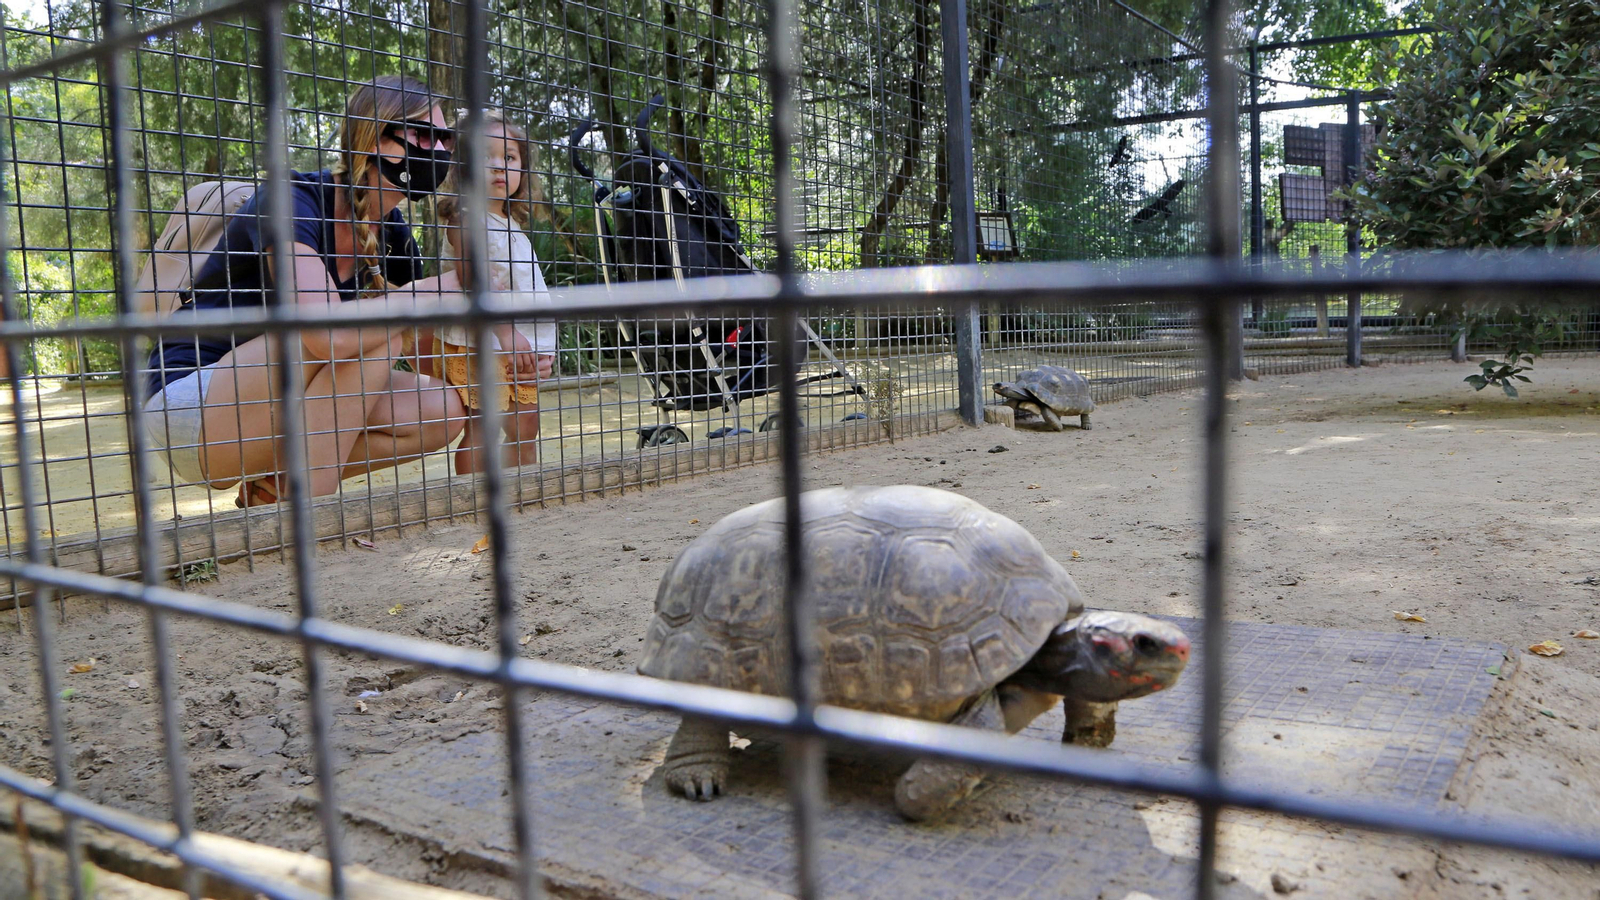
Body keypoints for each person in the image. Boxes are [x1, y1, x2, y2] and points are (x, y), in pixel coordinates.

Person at [142, 75, 467, 507]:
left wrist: (502, 370)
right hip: (191, 408)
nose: (439, 150)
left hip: (270, 417)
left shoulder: (394, 236)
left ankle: (276, 490)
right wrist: (445, 287)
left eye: (446, 139)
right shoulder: (293, 199)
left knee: (442, 409)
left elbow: (427, 355)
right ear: (373, 138)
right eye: (424, 136)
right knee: (377, 332)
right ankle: (309, 514)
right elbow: (326, 335)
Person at [414, 110, 555, 474]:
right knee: (482, 428)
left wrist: (542, 347)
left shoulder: (512, 225)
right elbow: (473, 277)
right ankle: (473, 498)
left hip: (518, 347)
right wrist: (506, 333)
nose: (498, 166)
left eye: (509, 157)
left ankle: (521, 490)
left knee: (526, 427)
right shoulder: (465, 217)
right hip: (477, 344)